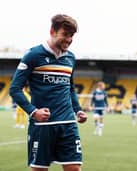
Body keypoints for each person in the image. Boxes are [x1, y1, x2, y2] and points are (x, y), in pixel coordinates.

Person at [9, 14, 87, 171]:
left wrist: (78, 110)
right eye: (65, 34)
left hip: (68, 123)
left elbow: (69, 88)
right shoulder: (33, 55)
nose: (69, 40)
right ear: (52, 31)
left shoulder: (70, 58)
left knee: (74, 168)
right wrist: (33, 112)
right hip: (43, 125)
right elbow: (15, 89)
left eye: (71, 36)